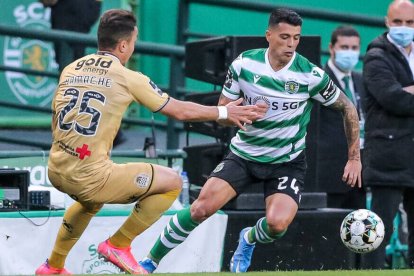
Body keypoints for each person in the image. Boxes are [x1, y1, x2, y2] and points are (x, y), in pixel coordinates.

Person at [34, 9, 263, 275]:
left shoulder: (71, 68)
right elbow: (179, 111)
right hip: (90, 178)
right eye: (133, 41)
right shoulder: (128, 77)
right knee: (172, 183)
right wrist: (224, 112)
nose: (133, 47)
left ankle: (53, 266)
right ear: (123, 45)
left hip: (57, 168)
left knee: (90, 202)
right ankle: (118, 245)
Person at [137, 8, 362, 273]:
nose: (291, 44)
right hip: (244, 155)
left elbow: (348, 108)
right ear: (269, 35)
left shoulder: (310, 75)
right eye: (284, 37)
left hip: (286, 162)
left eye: (296, 38)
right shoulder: (244, 65)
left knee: (277, 225)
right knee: (200, 209)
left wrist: (354, 158)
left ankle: (248, 238)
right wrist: (235, 115)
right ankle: (149, 261)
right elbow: (222, 112)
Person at [360, 0, 414, 269]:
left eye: (410, 22)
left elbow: (400, 96)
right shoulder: (376, 56)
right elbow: (393, 99)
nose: (404, 28)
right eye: (398, 22)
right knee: (378, 231)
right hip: (387, 156)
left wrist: (407, 90)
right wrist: (403, 93)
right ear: (386, 22)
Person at [311, 25, 366, 209]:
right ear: (332, 48)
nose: (349, 53)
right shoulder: (320, 80)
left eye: (354, 48)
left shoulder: (361, 80)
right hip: (330, 174)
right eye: (344, 47)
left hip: (360, 176)